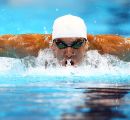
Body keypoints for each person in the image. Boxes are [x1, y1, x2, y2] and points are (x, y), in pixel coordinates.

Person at [0, 14, 130, 66]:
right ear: (52, 45)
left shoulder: (110, 48)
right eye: (61, 44)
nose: (69, 52)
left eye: (77, 44)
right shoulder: (29, 46)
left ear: (86, 45)